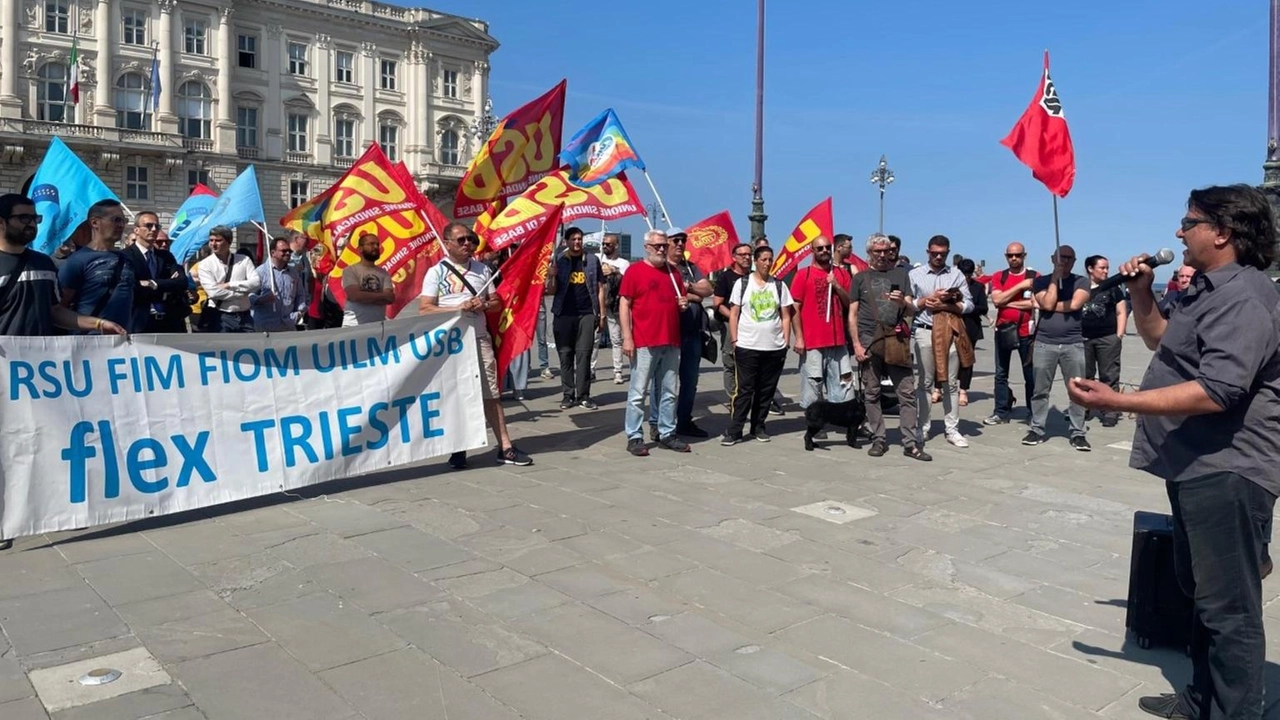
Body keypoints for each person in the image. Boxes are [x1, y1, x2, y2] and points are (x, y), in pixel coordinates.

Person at [1068, 185, 1280, 720]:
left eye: (1189, 222)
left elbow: (1219, 389)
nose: (1178, 232)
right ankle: (1200, 701)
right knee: (1202, 593)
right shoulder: (1208, 288)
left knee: (1230, 610)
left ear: (1224, 232)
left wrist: (1120, 400)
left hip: (1229, 469)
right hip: (1195, 463)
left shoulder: (1246, 297)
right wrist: (1141, 294)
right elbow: (1164, 339)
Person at [0, 193, 126, 549]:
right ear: (1, 222)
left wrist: (97, 323)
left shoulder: (42, 263)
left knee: (42, 441)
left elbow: (57, 311)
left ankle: (43, 510)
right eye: (23, 218)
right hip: (3, 373)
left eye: (34, 219)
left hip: (40, 375)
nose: (31, 224)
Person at [420, 222, 532, 469]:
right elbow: (425, 308)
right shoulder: (436, 272)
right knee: (455, 395)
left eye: (470, 239)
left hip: (479, 338)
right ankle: (458, 449)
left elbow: (496, 302)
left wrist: (483, 305)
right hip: (451, 343)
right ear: (447, 243)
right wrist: (457, 307)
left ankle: (505, 446)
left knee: (491, 393)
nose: (467, 244)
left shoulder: (482, 269)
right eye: (460, 240)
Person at [850, 233, 928, 461]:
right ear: (869, 253)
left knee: (906, 392)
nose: (883, 255)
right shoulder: (860, 278)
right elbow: (852, 314)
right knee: (871, 392)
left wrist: (901, 302)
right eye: (878, 252)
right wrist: (856, 344)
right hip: (868, 339)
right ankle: (878, 438)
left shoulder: (901, 275)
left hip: (896, 339)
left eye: (886, 251)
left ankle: (910, 443)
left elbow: (912, 309)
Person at [619, 229, 690, 456]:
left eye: (664, 246)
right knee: (639, 391)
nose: (661, 249)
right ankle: (634, 435)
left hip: (671, 339)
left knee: (670, 390)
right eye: (657, 245)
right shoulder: (635, 271)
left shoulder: (673, 273)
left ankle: (667, 432)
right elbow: (624, 304)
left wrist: (683, 305)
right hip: (644, 341)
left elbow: (679, 303)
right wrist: (627, 337)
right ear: (646, 247)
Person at [1018, 245, 1091, 449]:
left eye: (1068, 258)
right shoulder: (1041, 281)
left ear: (1075, 261)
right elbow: (1047, 302)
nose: (1064, 261)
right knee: (1040, 389)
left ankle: (1078, 432)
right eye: (1061, 257)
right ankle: (1037, 428)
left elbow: (1075, 305)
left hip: (1073, 343)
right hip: (1045, 343)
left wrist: (1049, 305)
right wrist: (1054, 280)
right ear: (1053, 258)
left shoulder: (1082, 281)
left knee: (1077, 390)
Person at [722, 244, 793, 445]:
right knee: (745, 389)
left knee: (766, 390)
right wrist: (735, 340)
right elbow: (734, 314)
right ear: (756, 261)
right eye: (763, 259)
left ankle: (758, 426)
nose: (767, 263)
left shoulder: (779, 285)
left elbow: (786, 316)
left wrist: (785, 341)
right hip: (747, 346)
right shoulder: (743, 284)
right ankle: (735, 430)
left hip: (774, 347)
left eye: (770, 259)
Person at [907, 234, 973, 448]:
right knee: (925, 382)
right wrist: (927, 300)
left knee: (951, 383)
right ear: (927, 251)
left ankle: (952, 429)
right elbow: (909, 305)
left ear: (948, 252)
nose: (938, 256)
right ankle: (922, 427)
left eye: (942, 254)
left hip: (950, 329)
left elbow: (970, 304)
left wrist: (949, 305)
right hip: (925, 331)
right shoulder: (915, 274)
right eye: (934, 253)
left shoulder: (956, 274)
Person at [790, 235, 854, 408]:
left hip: (838, 341)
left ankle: (844, 420)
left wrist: (837, 286)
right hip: (813, 342)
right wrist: (799, 337)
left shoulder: (841, 273)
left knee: (843, 383)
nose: (824, 251)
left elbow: (851, 304)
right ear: (813, 251)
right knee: (813, 384)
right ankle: (815, 424)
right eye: (820, 248)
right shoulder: (804, 274)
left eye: (827, 247)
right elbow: (794, 308)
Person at [546, 226, 605, 410]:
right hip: (563, 313)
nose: (577, 242)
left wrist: (601, 314)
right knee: (565, 355)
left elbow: (600, 288)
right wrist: (551, 276)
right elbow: (551, 291)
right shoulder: (559, 260)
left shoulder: (592, 261)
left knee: (584, 355)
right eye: (573, 239)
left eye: (579, 239)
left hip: (586, 313)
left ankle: (584, 395)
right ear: (567, 241)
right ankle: (568, 394)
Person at [58, 199, 136, 333]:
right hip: (88, 345)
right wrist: (97, 324)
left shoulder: (126, 259)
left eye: (124, 220)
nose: (121, 225)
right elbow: (58, 310)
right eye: (116, 220)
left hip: (122, 345)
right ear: (95, 223)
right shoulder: (77, 261)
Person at [984, 242, 1039, 424]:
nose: (1014, 258)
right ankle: (1001, 411)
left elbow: (1035, 303)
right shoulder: (1000, 275)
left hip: (1026, 331)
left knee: (1029, 373)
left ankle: (1032, 411)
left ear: (1024, 255)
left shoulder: (1034, 277)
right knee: (1001, 373)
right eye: (1010, 255)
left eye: (1018, 255)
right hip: (1004, 329)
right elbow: (996, 299)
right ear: (1006, 256)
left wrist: (1007, 302)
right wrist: (1020, 286)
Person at [1081, 254, 1128, 426]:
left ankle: (1110, 410)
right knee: (1084, 376)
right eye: (1102, 268)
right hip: (1083, 338)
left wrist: (1119, 335)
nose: (1106, 271)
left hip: (1107, 338)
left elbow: (1121, 311)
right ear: (1090, 269)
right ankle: (1083, 409)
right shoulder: (1081, 288)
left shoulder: (1113, 288)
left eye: (1107, 267)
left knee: (1109, 376)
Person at [123, 211, 186, 333]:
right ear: (136, 230)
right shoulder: (125, 256)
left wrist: (153, 283)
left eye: (157, 226)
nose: (153, 229)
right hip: (138, 321)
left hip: (168, 322)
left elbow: (181, 282)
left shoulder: (165, 256)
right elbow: (130, 285)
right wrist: (167, 283)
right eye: (148, 225)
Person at [197, 226, 261, 332]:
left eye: (218, 240)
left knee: (248, 347)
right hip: (220, 317)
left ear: (229, 241)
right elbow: (214, 292)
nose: (213, 244)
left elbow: (256, 282)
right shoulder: (205, 265)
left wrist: (230, 285)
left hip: (244, 317)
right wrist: (241, 294)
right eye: (211, 240)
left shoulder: (244, 260)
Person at [713, 243, 753, 406]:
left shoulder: (754, 277)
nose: (746, 257)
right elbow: (717, 303)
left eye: (749, 254)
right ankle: (732, 397)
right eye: (742, 254)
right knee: (730, 362)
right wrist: (734, 318)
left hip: (751, 326)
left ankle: (746, 395)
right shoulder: (726, 277)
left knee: (748, 362)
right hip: (731, 325)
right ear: (734, 257)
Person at [594, 232, 630, 384]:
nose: (605, 247)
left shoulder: (624, 263)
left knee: (616, 339)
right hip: (598, 304)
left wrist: (615, 271)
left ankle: (618, 371)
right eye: (603, 244)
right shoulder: (597, 259)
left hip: (614, 304)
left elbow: (627, 281)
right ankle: (591, 370)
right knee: (594, 339)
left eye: (608, 244)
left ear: (616, 246)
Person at [251, 237, 308, 331]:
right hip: (265, 329)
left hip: (288, 327)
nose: (288, 253)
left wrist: (300, 312)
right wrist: (262, 299)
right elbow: (249, 297)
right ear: (273, 253)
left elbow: (300, 294)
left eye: (289, 250)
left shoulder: (293, 274)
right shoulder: (260, 272)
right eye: (284, 250)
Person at [341, 233, 393, 326]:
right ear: (360, 248)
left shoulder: (384, 273)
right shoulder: (350, 270)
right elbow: (355, 296)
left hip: (378, 326)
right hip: (353, 326)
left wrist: (365, 297)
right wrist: (382, 295)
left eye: (377, 244)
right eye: (371, 244)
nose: (376, 247)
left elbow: (390, 298)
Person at [956, 258, 988, 407]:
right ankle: (939, 388)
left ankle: (963, 390)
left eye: (969, 274)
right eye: (964, 274)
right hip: (953, 325)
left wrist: (968, 307)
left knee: (967, 360)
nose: (966, 277)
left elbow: (984, 308)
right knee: (946, 357)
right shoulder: (952, 286)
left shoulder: (978, 287)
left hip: (971, 326)